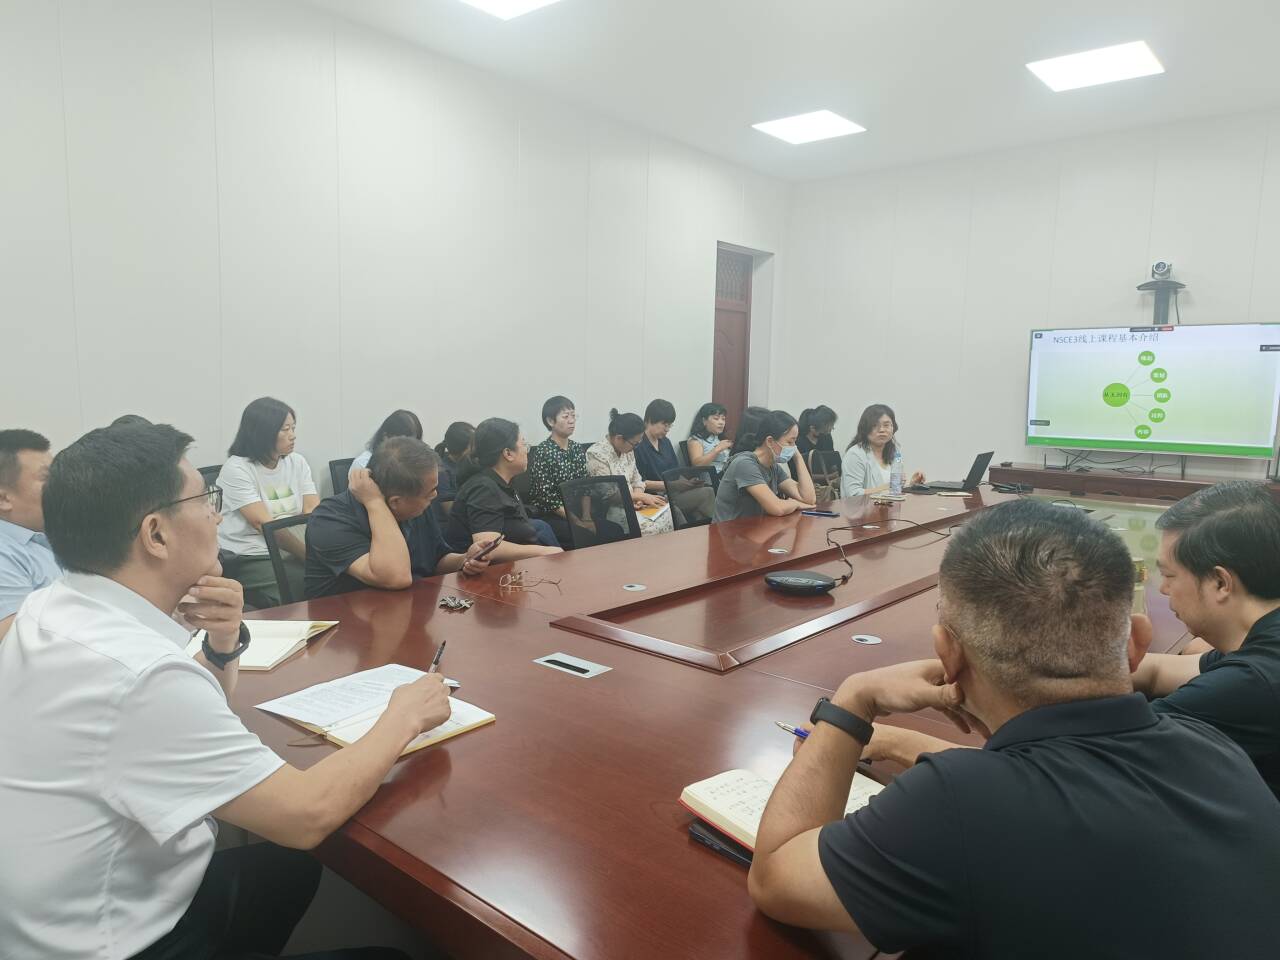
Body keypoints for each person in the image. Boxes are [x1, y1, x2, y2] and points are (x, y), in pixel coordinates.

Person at [747, 499, 1280, 958]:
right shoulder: (1217, 749)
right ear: (1138, 643)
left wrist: (854, 698)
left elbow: (775, 878)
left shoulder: (962, 801)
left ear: (948, 656)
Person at [0, 422, 434, 959]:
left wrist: (222, 642)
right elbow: (305, 815)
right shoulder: (140, 673)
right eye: (206, 500)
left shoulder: (52, 606)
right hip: (112, 942)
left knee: (285, 872)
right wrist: (404, 714)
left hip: (57, 911)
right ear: (156, 535)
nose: (218, 516)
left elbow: (163, 721)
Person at [1124, 481, 1280, 799]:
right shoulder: (1262, 639)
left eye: (1169, 575)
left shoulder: (1253, 682)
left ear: (1220, 582)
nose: (1163, 589)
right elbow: (1157, 671)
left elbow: (1110, 750)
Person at [306, 437, 492, 598]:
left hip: (407, 610)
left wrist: (464, 559)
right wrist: (375, 502)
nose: (435, 495)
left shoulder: (415, 506)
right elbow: (395, 577)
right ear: (396, 502)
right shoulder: (329, 520)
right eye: (430, 492)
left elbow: (436, 560)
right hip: (345, 622)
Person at [216, 397, 318, 607]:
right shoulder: (237, 469)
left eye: (293, 428)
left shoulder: (297, 462)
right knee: (300, 585)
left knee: (334, 578)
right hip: (252, 555)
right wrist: (307, 555)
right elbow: (265, 526)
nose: (293, 435)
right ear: (262, 433)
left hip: (293, 549)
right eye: (285, 429)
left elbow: (313, 511)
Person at [447, 418, 564, 562]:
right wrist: (544, 551)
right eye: (524, 444)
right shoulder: (483, 488)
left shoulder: (503, 482)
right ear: (508, 454)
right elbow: (487, 546)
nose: (527, 451)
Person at [0, 429, 59, 638]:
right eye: (46, 478)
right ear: (4, 499)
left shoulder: (49, 537)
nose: (60, 486)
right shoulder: (4, 555)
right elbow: (15, 641)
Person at [712, 410, 816, 523]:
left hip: (753, 529)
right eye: (790, 442)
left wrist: (798, 457)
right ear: (770, 441)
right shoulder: (745, 464)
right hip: (728, 531)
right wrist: (795, 503)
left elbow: (808, 499)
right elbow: (777, 508)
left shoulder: (773, 467)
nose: (794, 447)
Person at [586, 410, 673, 536]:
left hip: (636, 503)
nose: (635, 448)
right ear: (619, 438)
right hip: (614, 509)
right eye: (634, 444)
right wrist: (641, 497)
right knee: (652, 527)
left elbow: (637, 479)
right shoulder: (596, 454)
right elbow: (609, 495)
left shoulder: (627, 450)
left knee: (672, 513)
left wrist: (638, 498)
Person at [526, 396, 589, 548]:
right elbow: (547, 499)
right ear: (550, 421)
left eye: (573, 415)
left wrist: (587, 517)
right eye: (566, 416)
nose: (571, 421)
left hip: (577, 510)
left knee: (613, 528)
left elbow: (585, 486)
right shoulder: (543, 451)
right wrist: (577, 522)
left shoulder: (576, 448)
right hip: (552, 515)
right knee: (583, 534)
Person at [839, 404, 924, 497]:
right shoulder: (855, 455)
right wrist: (887, 487)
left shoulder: (895, 453)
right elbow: (853, 494)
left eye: (886, 425)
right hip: (864, 507)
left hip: (888, 505)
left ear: (893, 428)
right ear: (865, 429)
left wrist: (912, 485)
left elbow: (894, 489)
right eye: (875, 425)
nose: (882, 430)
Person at [348, 409, 423, 477]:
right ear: (385, 436)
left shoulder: (415, 464)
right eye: (405, 443)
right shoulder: (363, 464)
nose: (411, 448)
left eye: (415, 442)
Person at [633, 398, 681, 490]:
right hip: (651, 493)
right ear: (650, 420)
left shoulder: (666, 442)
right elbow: (639, 481)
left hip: (671, 491)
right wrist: (671, 485)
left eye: (670, 425)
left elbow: (676, 471)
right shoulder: (637, 445)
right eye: (665, 425)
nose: (667, 429)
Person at [433, 420, 475, 508]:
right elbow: (449, 509)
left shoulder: (470, 465)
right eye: (473, 444)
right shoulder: (442, 472)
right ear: (466, 448)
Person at [686, 402, 732, 472]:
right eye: (716, 419)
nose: (721, 422)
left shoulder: (719, 438)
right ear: (704, 421)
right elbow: (697, 465)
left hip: (727, 474)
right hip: (713, 477)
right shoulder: (695, 440)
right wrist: (718, 449)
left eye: (723, 419)